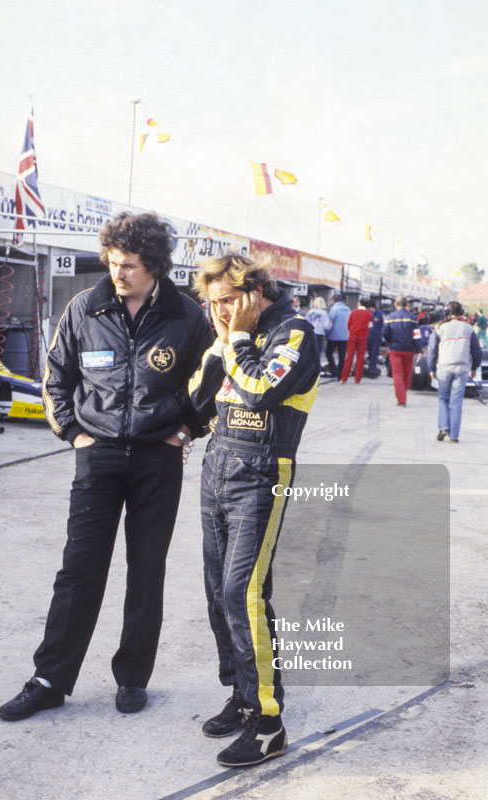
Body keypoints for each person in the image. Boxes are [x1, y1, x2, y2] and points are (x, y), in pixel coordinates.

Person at [0, 212, 212, 722]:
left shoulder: (186, 316)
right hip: (99, 456)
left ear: (154, 265)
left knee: (146, 569)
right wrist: (74, 433)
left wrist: (187, 431)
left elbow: (210, 383)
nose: (119, 273)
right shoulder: (84, 309)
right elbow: (55, 378)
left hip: (158, 457)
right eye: (114, 263)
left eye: (131, 265)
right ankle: (49, 679)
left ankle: (132, 678)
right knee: (79, 568)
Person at [189, 254, 320, 767]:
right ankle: (243, 697)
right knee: (216, 592)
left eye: (226, 301)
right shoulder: (226, 336)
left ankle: (269, 722)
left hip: (263, 473)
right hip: (216, 469)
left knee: (242, 594)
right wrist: (223, 344)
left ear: (255, 292)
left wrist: (238, 341)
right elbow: (197, 403)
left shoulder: (295, 332)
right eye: (210, 303)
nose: (217, 312)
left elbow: (262, 390)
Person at [428, 301, 482, 443]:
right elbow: (476, 351)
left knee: (443, 398)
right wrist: (474, 368)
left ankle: (443, 427)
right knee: (456, 401)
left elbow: (432, 350)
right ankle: (454, 436)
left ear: (446, 312)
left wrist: (431, 368)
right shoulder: (468, 328)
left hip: (444, 368)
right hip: (462, 369)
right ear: (462, 312)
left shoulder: (439, 328)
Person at [383, 295, 421, 406]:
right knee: (407, 372)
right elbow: (417, 334)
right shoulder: (412, 317)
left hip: (395, 349)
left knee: (397, 373)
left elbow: (385, 333)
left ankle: (401, 399)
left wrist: (390, 341)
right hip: (409, 349)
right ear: (406, 305)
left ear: (395, 304)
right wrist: (418, 347)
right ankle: (403, 393)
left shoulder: (389, 317)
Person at [340, 298, 373, 383]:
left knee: (349, 356)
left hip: (353, 335)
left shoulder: (353, 312)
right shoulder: (369, 314)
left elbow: (348, 324)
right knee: (360, 357)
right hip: (363, 336)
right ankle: (357, 379)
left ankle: (344, 378)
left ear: (359, 303)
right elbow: (370, 326)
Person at [326, 293, 350, 379]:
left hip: (333, 335)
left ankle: (334, 371)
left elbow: (329, 321)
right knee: (342, 356)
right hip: (345, 336)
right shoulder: (348, 309)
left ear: (333, 301)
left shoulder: (334, 309)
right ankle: (341, 373)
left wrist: (327, 334)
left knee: (328, 353)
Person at [366, 301, 385, 378]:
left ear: (371, 307)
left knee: (374, 354)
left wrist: (382, 334)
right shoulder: (368, 313)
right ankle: (372, 368)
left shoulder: (381, 313)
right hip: (369, 336)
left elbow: (385, 324)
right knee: (370, 354)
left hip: (377, 337)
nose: (368, 309)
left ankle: (373, 371)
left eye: (368, 308)